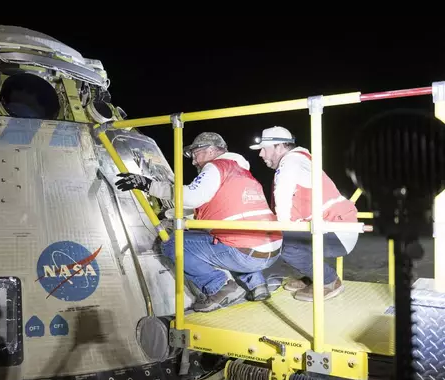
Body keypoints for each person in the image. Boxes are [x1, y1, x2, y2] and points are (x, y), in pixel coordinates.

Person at [115, 132, 282, 312]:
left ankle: (219, 287)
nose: (194, 161)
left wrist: (148, 185)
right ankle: (257, 286)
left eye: (195, 154)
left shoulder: (216, 167)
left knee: (173, 243)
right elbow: (215, 210)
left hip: (245, 252)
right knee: (231, 240)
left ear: (210, 151)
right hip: (271, 249)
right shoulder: (240, 171)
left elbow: (193, 197)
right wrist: (172, 214)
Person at [249, 126, 359, 301]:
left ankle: (329, 281)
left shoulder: (291, 162)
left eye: (264, 148)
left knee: (285, 245)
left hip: (337, 230)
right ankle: (313, 277)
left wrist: (280, 230)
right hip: (335, 226)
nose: (261, 154)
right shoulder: (299, 160)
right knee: (287, 240)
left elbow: (283, 195)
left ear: (279, 147)